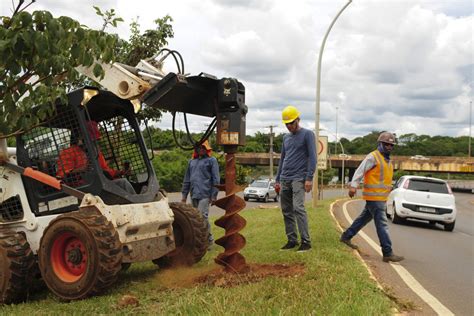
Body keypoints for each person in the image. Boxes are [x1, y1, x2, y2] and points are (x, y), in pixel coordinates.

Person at [340, 132, 404, 263]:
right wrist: (353, 186)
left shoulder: (387, 160)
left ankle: (346, 236)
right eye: (386, 144)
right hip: (374, 198)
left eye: (391, 145)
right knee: (382, 224)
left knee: (363, 219)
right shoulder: (373, 157)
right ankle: (387, 252)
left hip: (380, 198)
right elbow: (360, 170)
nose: (389, 147)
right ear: (380, 144)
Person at [275, 105, 316, 252]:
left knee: (298, 208)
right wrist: (277, 179)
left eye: (291, 123)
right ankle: (292, 240)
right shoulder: (286, 138)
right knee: (286, 210)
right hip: (285, 177)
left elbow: (313, 157)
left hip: (299, 178)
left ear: (298, 120)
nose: (289, 126)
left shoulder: (308, 134)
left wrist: (309, 178)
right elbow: (282, 159)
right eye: (286, 124)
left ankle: (306, 242)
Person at [57, 121, 136, 194]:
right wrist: (81, 170)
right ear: (81, 138)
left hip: (100, 185)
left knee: (122, 182)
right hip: (80, 190)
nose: (94, 143)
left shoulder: (96, 152)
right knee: (123, 183)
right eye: (91, 140)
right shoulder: (67, 153)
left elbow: (105, 170)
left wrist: (121, 172)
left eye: (95, 140)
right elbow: (62, 176)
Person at [181, 140, 220, 248]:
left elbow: (216, 180)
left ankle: (209, 240)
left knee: (202, 217)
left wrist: (214, 196)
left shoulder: (212, 161)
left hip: (205, 194)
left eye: (203, 148)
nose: (200, 150)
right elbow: (187, 180)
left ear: (207, 149)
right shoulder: (191, 162)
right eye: (198, 148)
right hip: (194, 194)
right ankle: (200, 241)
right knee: (195, 218)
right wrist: (184, 196)